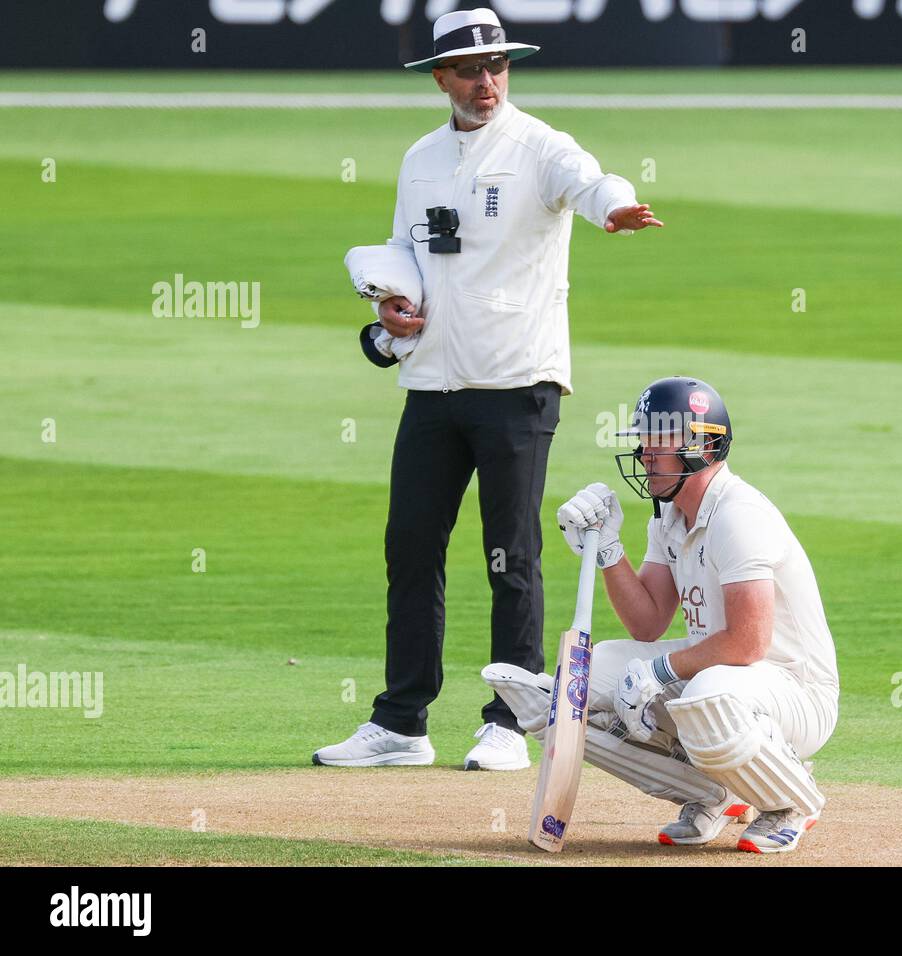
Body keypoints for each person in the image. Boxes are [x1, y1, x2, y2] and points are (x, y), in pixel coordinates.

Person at [314, 8, 662, 771]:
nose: (487, 81)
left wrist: (615, 210)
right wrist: (388, 315)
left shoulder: (539, 146)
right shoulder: (420, 159)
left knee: (511, 552)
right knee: (410, 548)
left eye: (497, 66)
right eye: (470, 70)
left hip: (516, 383)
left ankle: (510, 721)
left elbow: (592, 180)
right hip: (432, 385)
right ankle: (401, 723)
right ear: (440, 77)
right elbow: (408, 252)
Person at [484, 377, 839, 853]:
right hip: (724, 674)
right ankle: (711, 794)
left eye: (659, 441)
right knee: (580, 681)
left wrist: (659, 670)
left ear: (702, 444)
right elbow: (647, 622)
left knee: (706, 696)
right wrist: (607, 550)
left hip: (793, 688)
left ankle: (792, 800)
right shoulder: (668, 517)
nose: (646, 454)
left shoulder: (740, 515)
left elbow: (749, 642)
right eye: (644, 441)